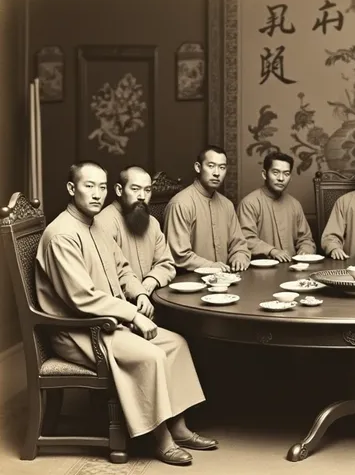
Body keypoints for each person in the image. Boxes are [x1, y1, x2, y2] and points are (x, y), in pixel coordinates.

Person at [36, 161, 216, 466]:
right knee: (152, 355)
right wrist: (133, 316)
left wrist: (141, 293)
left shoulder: (95, 226)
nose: (96, 194)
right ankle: (161, 439)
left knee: (176, 344)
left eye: (101, 187)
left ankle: (180, 427)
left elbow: (122, 270)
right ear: (71, 189)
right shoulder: (61, 235)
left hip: (108, 324)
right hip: (79, 332)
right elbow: (82, 298)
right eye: (88, 186)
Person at [164, 146, 250, 272]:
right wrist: (211, 266)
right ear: (198, 167)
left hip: (225, 280)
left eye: (222, 167)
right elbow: (178, 255)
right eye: (211, 166)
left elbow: (238, 244)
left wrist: (240, 256)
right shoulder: (180, 204)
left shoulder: (227, 205)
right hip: (189, 283)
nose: (217, 173)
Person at [96, 165, 175, 294]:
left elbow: (166, 262)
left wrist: (152, 279)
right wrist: (137, 292)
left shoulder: (153, 224)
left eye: (147, 190)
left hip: (151, 297)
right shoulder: (103, 223)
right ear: (119, 190)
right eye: (135, 189)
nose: (142, 196)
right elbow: (107, 275)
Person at [237, 152, 316, 262]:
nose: (281, 178)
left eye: (286, 174)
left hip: (292, 268)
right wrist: (273, 251)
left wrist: (305, 250)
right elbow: (246, 239)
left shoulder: (295, 204)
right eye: (275, 172)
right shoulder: (249, 203)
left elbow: (306, 239)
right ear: (264, 174)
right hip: (261, 271)